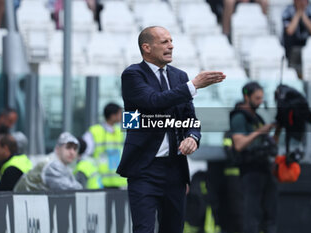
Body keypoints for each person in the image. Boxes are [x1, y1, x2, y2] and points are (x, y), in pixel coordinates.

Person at [116, 26, 226, 233]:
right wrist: (193, 86)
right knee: (143, 229)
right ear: (146, 47)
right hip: (144, 169)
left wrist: (192, 137)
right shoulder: (132, 75)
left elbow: (190, 119)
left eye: (171, 41)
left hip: (174, 170)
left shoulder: (179, 76)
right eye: (164, 42)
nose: (171, 46)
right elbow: (153, 101)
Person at [230, 82, 279, 233]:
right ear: (246, 96)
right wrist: (260, 131)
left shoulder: (257, 118)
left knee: (270, 214)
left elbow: (271, 144)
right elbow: (239, 144)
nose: (260, 102)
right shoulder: (239, 117)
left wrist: (278, 129)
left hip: (264, 168)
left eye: (262, 98)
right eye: (257, 98)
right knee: (252, 215)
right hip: (250, 172)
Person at [14, 132, 82, 191]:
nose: (72, 152)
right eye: (68, 147)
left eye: (75, 149)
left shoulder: (61, 164)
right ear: (57, 149)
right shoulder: (53, 165)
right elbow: (69, 189)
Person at [79, 103, 126, 189]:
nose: (122, 116)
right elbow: (84, 155)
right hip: (100, 183)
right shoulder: (95, 131)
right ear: (112, 116)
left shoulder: (120, 132)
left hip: (119, 183)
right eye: (120, 113)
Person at [282, 0, 311, 66]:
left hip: (307, 43)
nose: (301, 3)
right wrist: (298, 14)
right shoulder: (287, 11)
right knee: (289, 41)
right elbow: (289, 31)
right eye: (299, 1)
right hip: (292, 45)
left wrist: (303, 16)